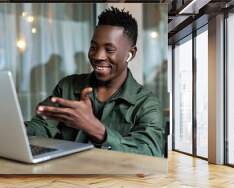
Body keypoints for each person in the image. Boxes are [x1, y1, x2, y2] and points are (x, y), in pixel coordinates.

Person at [25, 7, 164, 157]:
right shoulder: (67, 87)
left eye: (109, 50)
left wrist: (96, 129)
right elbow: (42, 126)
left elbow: (150, 153)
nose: (98, 56)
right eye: (93, 47)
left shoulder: (147, 104)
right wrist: (14, 130)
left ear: (130, 54)